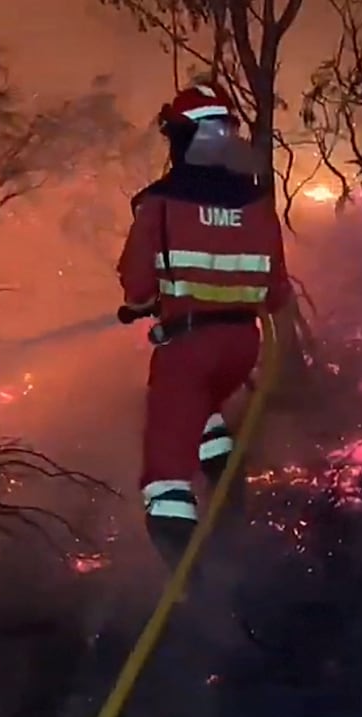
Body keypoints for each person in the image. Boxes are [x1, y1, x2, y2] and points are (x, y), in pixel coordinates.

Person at [115, 82, 293, 568]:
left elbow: (136, 287)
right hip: (242, 348)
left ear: (179, 139)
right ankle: (228, 491)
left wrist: (150, 301)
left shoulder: (160, 202)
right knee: (202, 410)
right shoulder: (258, 204)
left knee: (165, 476)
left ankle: (193, 585)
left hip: (188, 347)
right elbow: (277, 293)